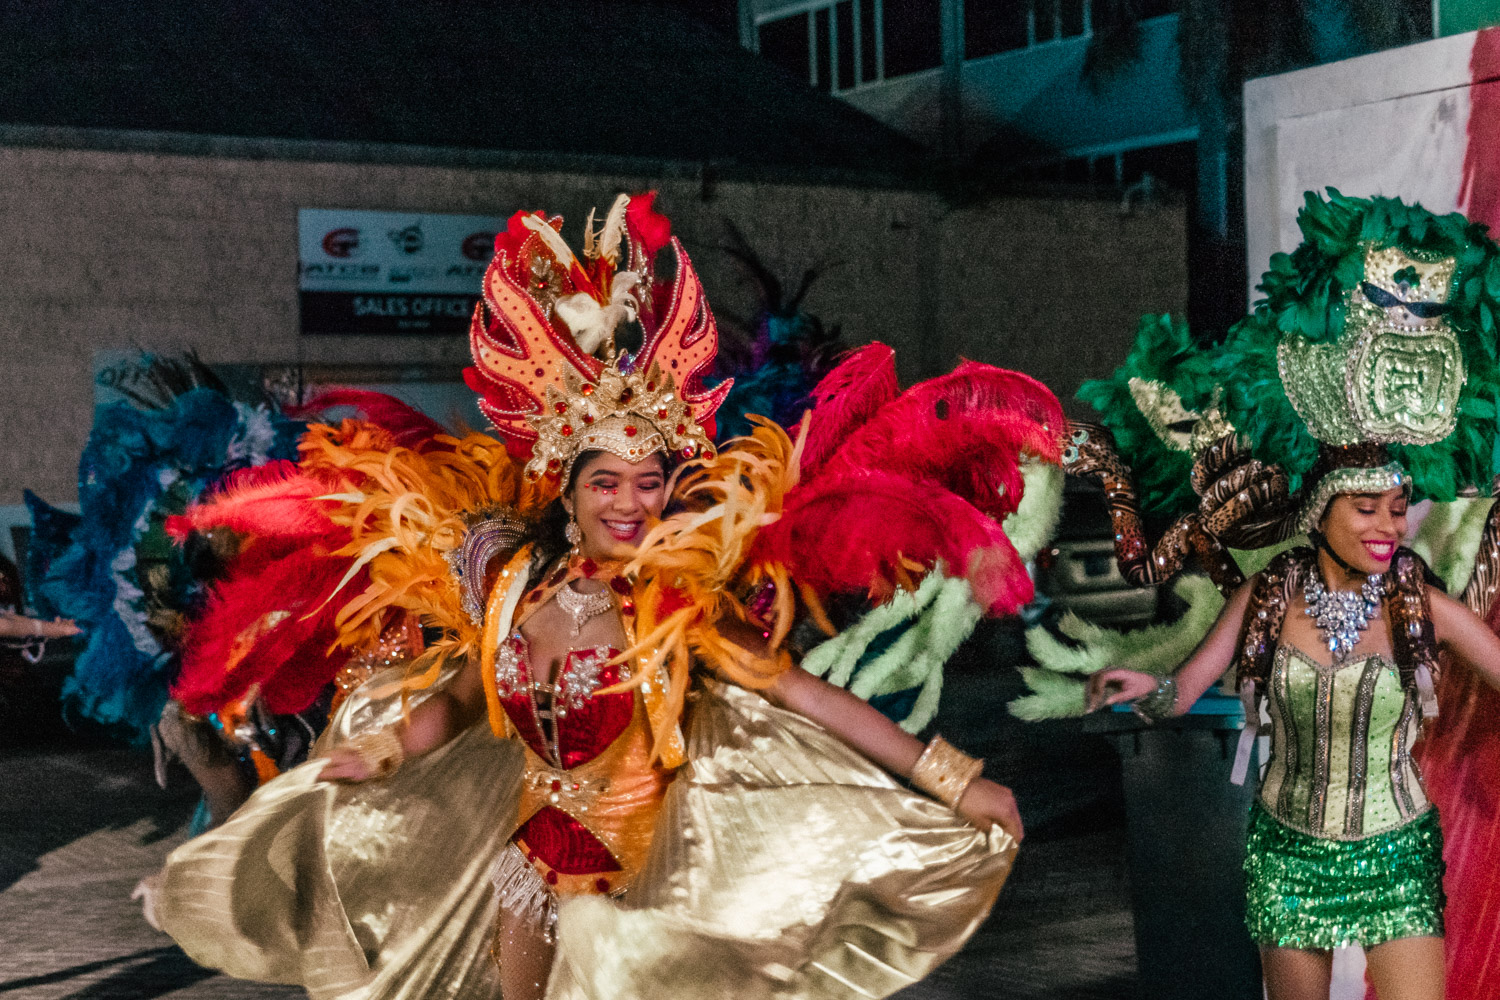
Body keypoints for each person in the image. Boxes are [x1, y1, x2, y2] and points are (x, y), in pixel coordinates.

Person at [148, 193, 1049, 1000]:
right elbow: (465, 700)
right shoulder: (509, 587)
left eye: (648, 482)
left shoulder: (679, 604)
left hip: (637, 887)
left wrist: (954, 781)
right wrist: (383, 749)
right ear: (567, 491)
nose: (629, 502)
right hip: (522, 870)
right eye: (606, 483)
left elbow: (807, 696)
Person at [1074, 191, 1500, 1000]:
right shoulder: (1267, 595)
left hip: (1396, 848)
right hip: (1288, 851)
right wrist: (1146, 690)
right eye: (1366, 509)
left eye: (1398, 509)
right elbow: (1185, 691)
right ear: (1319, 510)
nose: (1388, 527)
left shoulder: (1420, 604)